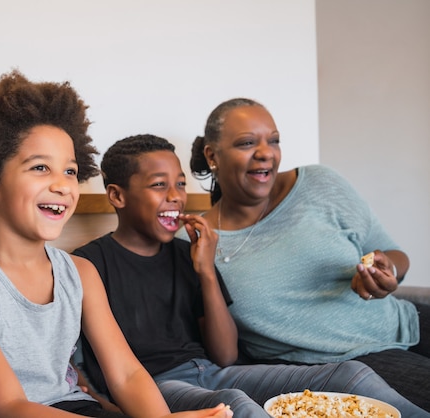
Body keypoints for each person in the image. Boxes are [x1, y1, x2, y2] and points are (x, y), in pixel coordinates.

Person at [0, 71, 232, 418]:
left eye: (70, 171)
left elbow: (128, 374)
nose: (62, 185)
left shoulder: (80, 272)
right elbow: (7, 407)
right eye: (41, 167)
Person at [72, 134, 430, 418]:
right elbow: (76, 359)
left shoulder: (189, 252)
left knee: (351, 377)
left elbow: (226, 355)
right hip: (152, 387)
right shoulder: (89, 263)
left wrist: (206, 272)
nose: (175, 198)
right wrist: (107, 405)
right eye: (158, 186)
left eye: (180, 185)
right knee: (234, 405)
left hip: (210, 370)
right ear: (117, 196)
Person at [181, 97, 430, 411]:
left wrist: (387, 271)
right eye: (247, 143)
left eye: (273, 140)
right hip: (344, 367)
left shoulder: (319, 183)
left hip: (408, 323)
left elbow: (396, 255)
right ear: (212, 155)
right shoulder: (195, 242)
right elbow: (214, 349)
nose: (265, 153)